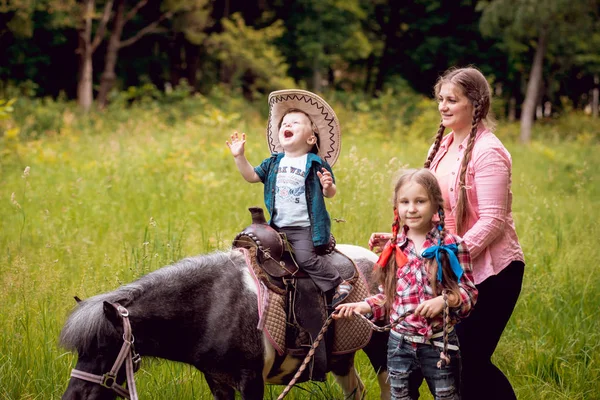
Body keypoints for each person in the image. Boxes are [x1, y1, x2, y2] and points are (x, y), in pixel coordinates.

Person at [371, 66, 525, 400]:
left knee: (469, 360)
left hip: (493, 272)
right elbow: (432, 211)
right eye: (440, 99)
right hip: (449, 268)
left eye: (452, 100)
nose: (443, 106)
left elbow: (494, 220)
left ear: (476, 103)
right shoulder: (443, 146)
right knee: (445, 359)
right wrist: (403, 240)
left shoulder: (489, 151)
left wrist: (445, 256)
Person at [334, 168, 478, 400]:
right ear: (396, 207)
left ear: (435, 205)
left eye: (420, 201)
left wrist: (443, 300)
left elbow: (469, 293)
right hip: (399, 345)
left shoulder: (452, 245)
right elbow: (388, 298)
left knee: (446, 396)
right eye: (405, 202)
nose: (411, 209)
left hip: (439, 344)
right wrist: (364, 306)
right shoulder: (393, 248)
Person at [226, 89, 352, 307]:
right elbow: (251, 176)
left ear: (311, 137)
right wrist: (240, 157)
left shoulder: (314, 163)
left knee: (305, 259)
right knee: (258, 256)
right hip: (276, 226)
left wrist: (328, 187)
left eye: (295, 123)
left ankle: (338, 283)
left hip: (303, 227)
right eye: (284, 123)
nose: (287, 125)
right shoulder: (274, 162)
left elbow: (330, 193)